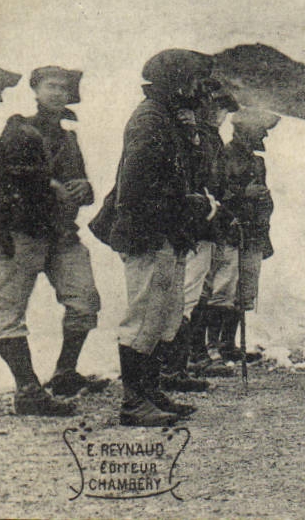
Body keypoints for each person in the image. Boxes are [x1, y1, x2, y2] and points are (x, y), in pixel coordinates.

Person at [91, 49, 216, 427]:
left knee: (164, 315)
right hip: (149, 233)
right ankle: (134, 403)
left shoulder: (169, 119)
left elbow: (190, 172)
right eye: (194, 81)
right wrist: (185, 203)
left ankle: (149, 391)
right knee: (145, 317)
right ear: (177, 82)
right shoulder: (150, 120)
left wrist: (192, 136)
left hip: (167, 232)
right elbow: (135, 187)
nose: (199, 89)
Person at [0, 66, 106, 415]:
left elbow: (82, 184)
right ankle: (28, 390)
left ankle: (64, 373)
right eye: (50, 86)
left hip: (61, 233)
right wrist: (49, 184)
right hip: (23, 231)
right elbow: (6, 175)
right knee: (6, 310)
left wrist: (85, 188)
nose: (57, 92)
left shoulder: (69, 138)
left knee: (85, 300)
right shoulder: (17, 128)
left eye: (63, 87)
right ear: (36, 90)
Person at [177, 85, 238, 384]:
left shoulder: (212, 138)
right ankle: (188, 357)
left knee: (202, 290)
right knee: (191, 291)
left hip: (210, 223)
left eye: (222, 109)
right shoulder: (194, 136)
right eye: (212, 107)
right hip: (196, 222)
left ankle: (195, 353)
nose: (218, 114)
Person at [219, 108, 277, 361]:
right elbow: (217, 192)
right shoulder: (224, 156)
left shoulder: (257, 162)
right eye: (260, 130)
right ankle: (212, 347)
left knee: (244, 292)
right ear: (245, 131)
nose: (264, 136)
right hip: (230, 233)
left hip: (253, 234)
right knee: (224, 290)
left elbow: (264, 196)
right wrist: (244, 194)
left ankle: (228, 345)